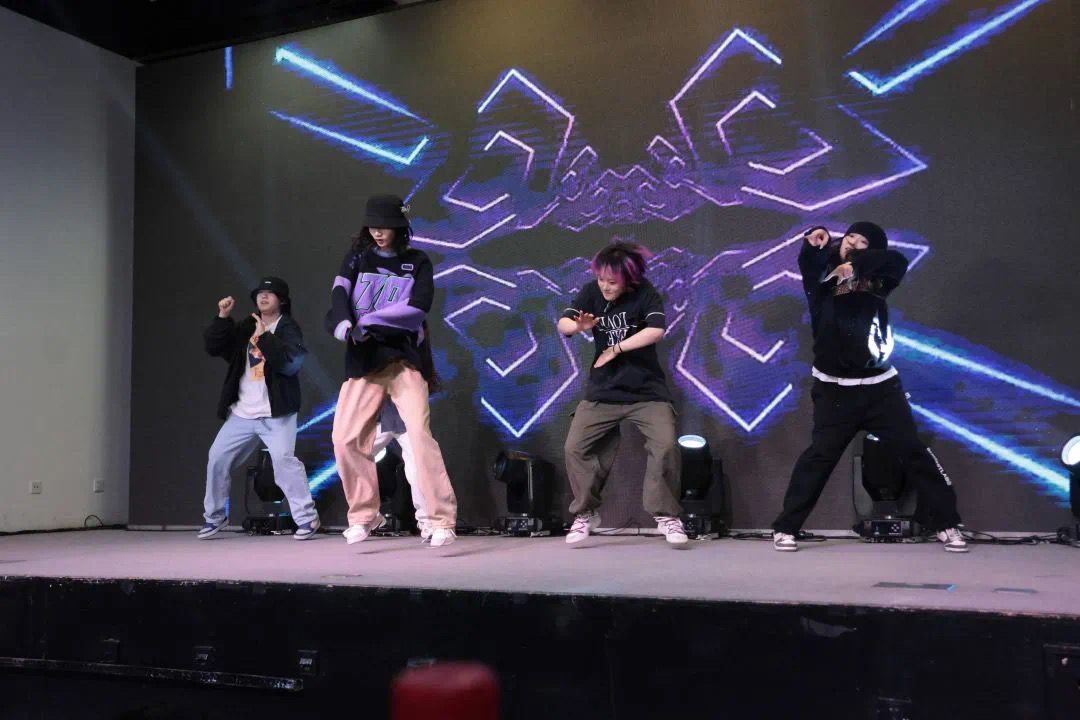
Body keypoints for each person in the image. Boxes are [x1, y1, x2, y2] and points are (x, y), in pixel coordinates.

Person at [771, 222, 967, 553]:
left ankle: (947, 523)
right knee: (818, 458)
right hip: (835, 391)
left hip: (880, 388)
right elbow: (810, 261)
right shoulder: (821, 277)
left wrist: (856, 265)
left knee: (913, 452)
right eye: (851, 237)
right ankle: (786, 527)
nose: (854, 243)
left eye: (863, 242)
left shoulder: (879, 280)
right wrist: (815, 242)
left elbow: (896, 261)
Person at [326, 195, 458, 548]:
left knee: (419, 437)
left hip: (404, 361)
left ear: (400, 227)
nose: (378, 232)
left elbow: (417, 309)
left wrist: (369, 321)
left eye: (385, 226)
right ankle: (364, 515)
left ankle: (440, 520)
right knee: (344, 439)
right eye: (373, 226)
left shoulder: (417, 261)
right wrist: (345, 326)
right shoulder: (357, 258)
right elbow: (339, 295)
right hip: (364, 362)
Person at [558, 241, 688, 546]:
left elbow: (656, 330)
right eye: (601, 279)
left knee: (666, 446)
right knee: (575, 448)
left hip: (647, 391)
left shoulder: (646, 293)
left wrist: (616, 348)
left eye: (612, 282)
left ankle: (666, 516)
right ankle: (585, 513)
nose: (604, 286)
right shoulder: (591, 292)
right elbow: (564, 324)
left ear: (628, 279)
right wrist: (578, 327)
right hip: (603, 390)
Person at [200, 277, 320, 540]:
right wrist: (223, 317)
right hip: (242, 412)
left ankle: (307, 518)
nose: (263, 297)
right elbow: (215, 347)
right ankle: (215, 517)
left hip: (276, 414)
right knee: (217, 458)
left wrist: (265, 336)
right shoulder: (247, 325)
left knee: (284, 462)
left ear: (282, 300)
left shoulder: (288, 328)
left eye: (270, 293)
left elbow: (288, 364)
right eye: (260, 293)